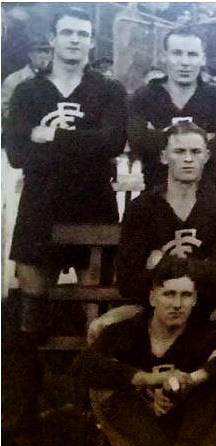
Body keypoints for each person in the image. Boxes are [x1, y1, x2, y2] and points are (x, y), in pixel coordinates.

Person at [6, 7, 127, 338]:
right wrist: (86, 143)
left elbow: (112, 142)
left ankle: (91, 371)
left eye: (83, 35)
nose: (75, 40)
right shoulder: (28, 91)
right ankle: (34, 374)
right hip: (40, 201)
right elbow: (17, 153)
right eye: (68, 33)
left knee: (95, 297)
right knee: (31, 291)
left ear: (91, 43)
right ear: (52, 39)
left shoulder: (108, 90)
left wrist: (50, 136)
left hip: (93, 198)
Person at [73, 257, 216, 446]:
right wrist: (147, 379)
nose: (177, 304)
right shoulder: (129, 331)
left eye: (185, 295)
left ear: (194, 299)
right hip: (141, 430)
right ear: (153, 298)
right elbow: (83, 364)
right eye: (169, 294)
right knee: (102, 384)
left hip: (188, 433)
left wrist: (191, 379)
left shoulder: (208, 332)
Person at [88, 121, 216, 343]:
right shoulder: (142, 207)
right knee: (100, 328)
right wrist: (201, 265)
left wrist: (162, 263)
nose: (188, 159)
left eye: (195, 152)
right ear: (164, 156)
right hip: (152, 306)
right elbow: (128, 280)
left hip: (211, 306)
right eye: (179, 151)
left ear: (206, 156)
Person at [127, 26, 216, 190]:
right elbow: (138, 141)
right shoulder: (143, 96)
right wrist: (202, 139)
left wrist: (161, 136)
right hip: (157, 195)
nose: (185, 62)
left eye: (192, 54)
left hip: (208, 196)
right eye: (177, 53)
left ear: (202, 58)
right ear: (164, 56)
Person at [1, 35, 50, 119]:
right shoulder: (14, 80)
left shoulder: (54, 78)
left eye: (47, 51)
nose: (44, 55)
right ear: (30, 54)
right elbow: (5, 109)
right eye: (39, 52)